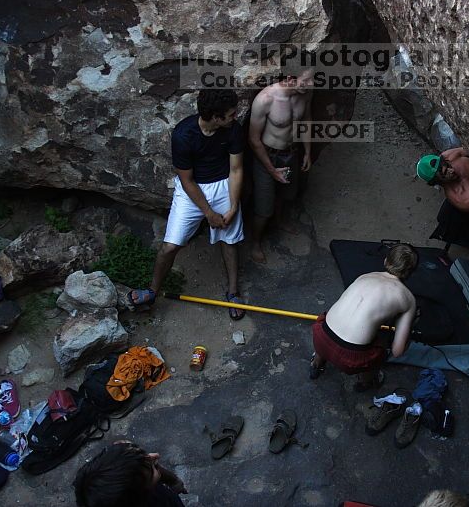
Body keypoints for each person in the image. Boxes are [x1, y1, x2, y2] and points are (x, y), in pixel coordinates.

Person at [129, 88, 246, 319]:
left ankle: (233, 293)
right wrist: (208, 213)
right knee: (170, 246)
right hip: (192, 190)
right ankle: (152, 291)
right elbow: (187, 180)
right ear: (215, 117)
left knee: (229, 240)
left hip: (224, 184)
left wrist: (233, 206)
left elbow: (236, 169)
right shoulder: (184, 135)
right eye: (231, 114)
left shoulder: (233, 129)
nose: (236, 116)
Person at [310, 244, 418, 391]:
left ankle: (316, 364)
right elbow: (397, 351)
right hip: (350, 358)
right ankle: (367, 382)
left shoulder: (365, 276)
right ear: (411, 272)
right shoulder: (408, 299)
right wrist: (410, 332)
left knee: (329, 330)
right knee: (379, 351)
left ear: (386, 261)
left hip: (320, 336)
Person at [248, 65, 314, 263]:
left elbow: (307, 121)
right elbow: (253, 139)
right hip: (268, 157)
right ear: (290, 77)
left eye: (313, 79)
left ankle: (279, 221)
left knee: (287, 195)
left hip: (292, 153)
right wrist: (271, 169)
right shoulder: (266, 99)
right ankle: (256, 242)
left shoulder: (306, 93)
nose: (311, 84)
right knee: (263, 207)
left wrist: (308, 152)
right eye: (307, 79)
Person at [73, 441, 187, 507]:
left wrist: (173, 481)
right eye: (152, 470)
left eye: (145, 456)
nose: (155, 455)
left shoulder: (132, 469)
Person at [416, 147, 469, 212]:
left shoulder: (450, 156)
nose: (451, 171)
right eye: (445, 173)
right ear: (437, 182)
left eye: (448, 165)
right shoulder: (464, 200)